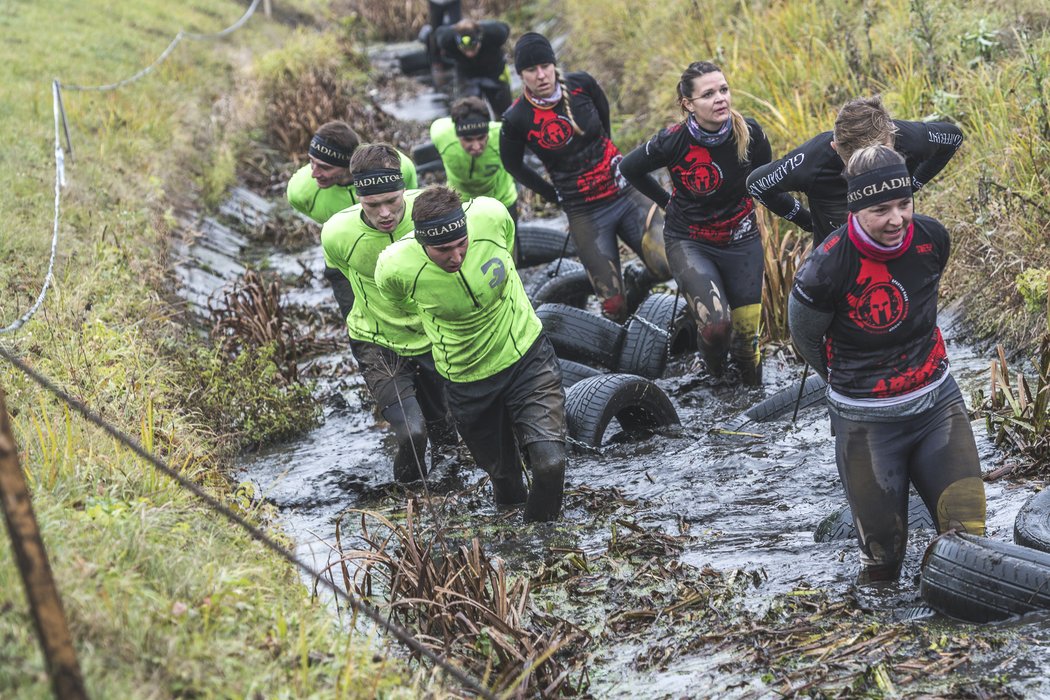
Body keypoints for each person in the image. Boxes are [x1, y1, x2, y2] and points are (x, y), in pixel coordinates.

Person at [788, 144, 986, 584]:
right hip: (867, 425)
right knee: (883, 562)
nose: (897, 219)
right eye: (881, 208)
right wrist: (847, 385)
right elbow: (804, 336)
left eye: (904, 203)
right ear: (856, 208)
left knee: (971, 540)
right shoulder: (825, 268)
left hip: (938, 407)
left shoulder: (932, 239)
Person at [375, 186, 566, 522]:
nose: (456, 257)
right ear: (421, 243)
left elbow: (507, 244)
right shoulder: (395, 266)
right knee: (506, 482)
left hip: (526, 355)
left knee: (550, 464)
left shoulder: (490, 215)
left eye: (462, 244)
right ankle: (513, 543)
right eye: (443, 249)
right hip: (467, 378)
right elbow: (397, 301)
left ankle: (544, 547)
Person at [620, 61, 791, 385]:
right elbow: (630, 167)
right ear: (688, 104)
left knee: (746, 345)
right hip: (690, 241)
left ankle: (751, 396)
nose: (720, 98)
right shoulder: (672, 141)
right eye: (709, 93)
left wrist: (805, 217)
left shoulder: (750, 133)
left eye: (724, 90)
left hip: (740, 240)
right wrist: (665, 201)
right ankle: (715, 378)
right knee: (715, 326)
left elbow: (767, 182)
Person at [499, 31, 658, 322]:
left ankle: (639, 281)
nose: (541, 75)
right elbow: (513, 165)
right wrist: (552, 195)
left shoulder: (581, 85)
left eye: (545, 66)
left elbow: (604, 113)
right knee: (613, 306)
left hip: (623, 192)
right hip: (584, 210)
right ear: (521, 75)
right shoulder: (516, 118)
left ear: (553, 64)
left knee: (666, 263)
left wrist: (609, 153)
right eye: (531, 70)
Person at [320, 144, 455, 483]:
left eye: (393, 201)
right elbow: (339, 279)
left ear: (404, 190)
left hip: (431, 339)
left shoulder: (429, 215)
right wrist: (359, 318)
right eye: (372, 204)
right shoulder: (338, 233)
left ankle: (451, 504)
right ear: (357, 197)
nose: (384, 213)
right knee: (412, 434)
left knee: (447, 440)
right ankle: (406, 504)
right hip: (378, 345)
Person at [746, 95, 964, 244]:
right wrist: (804, 220)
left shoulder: (909, 139)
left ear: (892, 137)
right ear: (835, 147)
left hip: (897, 253)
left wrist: (914, 182)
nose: (871, 176)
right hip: (838, 267)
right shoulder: (812, 161)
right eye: (857, 167)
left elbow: (953, 137)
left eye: (882, 159)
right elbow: (756, 184)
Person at [287, 122, 418, 320]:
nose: (314, 173)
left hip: (394, 243)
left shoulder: (400, 167)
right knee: (356, 316)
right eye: (311, 162)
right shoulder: (300, 192)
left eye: (325, 167)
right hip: (345, 253)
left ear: (348, 165)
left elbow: (411, 209)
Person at [430, 96, 518, 221]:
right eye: (468, 139)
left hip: (501, 200)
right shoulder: (441, 135)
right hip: (461, 201)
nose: (476, 147)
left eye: (482, 137)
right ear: (456, 135)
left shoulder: (502, 135)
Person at [434, 19, 513, 116]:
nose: (470, 54)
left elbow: (506, 28)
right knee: (469, 113)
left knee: (505, 113)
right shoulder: (446, 39)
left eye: (473, 48)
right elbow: (437, 33)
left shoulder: (495, 33)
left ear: (480, 39)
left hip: (495, 73)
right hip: (467, 75)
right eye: (465, 50)